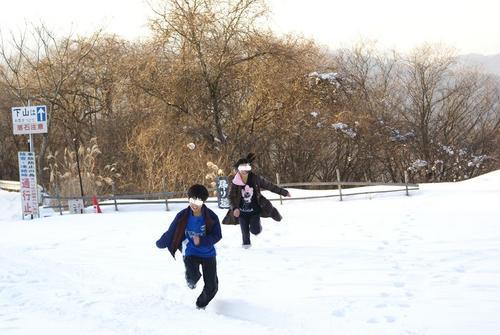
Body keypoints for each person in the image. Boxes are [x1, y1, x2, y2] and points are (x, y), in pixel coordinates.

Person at [156, 184, 222, 309]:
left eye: (198, 201)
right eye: (192, 200)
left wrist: (202, 241)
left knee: (212, 287)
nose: (194, 204)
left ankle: (200, 305)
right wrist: (162, 242)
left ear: (203, 201)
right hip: (190, 252)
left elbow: (217, 235)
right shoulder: (183, 215)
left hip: (208, 254)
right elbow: (172, 230)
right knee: (192, 277)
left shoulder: (211, 216)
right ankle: (190, 279)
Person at [228, 153, 290, 248]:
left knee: (255, 231)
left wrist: (284, 192)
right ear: (238, 169)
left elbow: (270, 186)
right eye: (242, 168)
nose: (244, 170)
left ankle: (260, 226)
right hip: (241, 213)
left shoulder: (255, 178)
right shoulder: (235, 182)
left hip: (255, 211)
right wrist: (234, 208)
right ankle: (246, 252)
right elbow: (231, 197)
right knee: (245, 235)